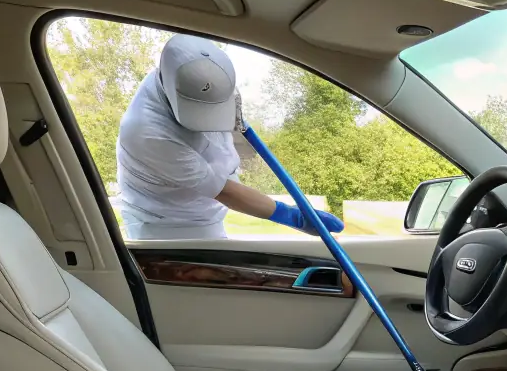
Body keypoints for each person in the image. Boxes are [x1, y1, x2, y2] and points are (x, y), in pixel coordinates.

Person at [115, 34, 341, 240]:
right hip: (162, 228)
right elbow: (224, 191)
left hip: (206, 217)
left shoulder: (209, 83)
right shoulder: (146, 131)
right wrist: (292, 216)